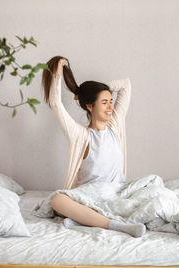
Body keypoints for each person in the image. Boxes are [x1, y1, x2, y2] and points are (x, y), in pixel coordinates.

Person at [42, 56, 145, 237]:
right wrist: (58, 73)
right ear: (90, 106)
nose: (110, 107)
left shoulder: (115, 125)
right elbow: (55, 104)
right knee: (57, 200)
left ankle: (83, 220)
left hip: (115, 193)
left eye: (111, 101)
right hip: (88, 196)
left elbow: (126, 84)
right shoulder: (80, 135)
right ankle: (116, 225)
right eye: (104, 102)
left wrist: (99, 90)